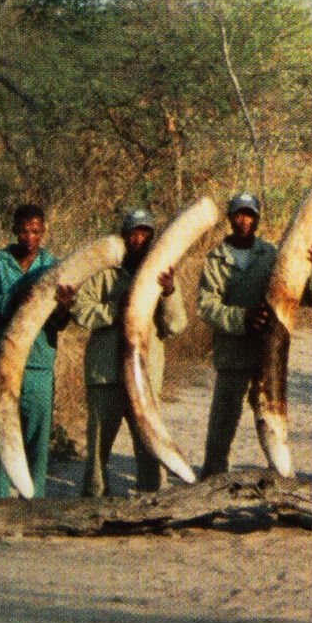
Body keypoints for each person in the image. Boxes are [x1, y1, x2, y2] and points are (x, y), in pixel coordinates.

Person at [196, 191, 312, 476]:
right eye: (239, 214)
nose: (244, 220)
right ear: (230, 218)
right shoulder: (215, 260)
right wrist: (243, 318)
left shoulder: (270, 255)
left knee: (271, 421)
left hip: (267, 357)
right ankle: (211, 482)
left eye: (250, 215)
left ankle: (282, 481)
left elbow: (295, 296)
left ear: (257, 219)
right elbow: (206, 307)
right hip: (231, 357)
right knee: (221, 429)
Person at [67, 206, 184, 498]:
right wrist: (114, 311)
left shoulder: (162, 276)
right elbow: (80, 310)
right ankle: (92, 501)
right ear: (125, 237)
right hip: (105, 374)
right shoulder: (105, 274)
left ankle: (153, 500)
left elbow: (177, 324)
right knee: (97, 447)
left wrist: (168, 293)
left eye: (145, 233)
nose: (139, 239)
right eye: (133, 233)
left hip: (144, 376)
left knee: (148, 441)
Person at [0, 202, 68, 500]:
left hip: (40, 363)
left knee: (38, 437)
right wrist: (12, 298)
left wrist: (64, 305)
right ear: (15, 230)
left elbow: (62, 322)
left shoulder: (53, 266)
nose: (29, 237)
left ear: (43, 232)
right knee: (2, 433)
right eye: (24, 230)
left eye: (36, 231)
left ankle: (33, 502)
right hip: (5, 362)